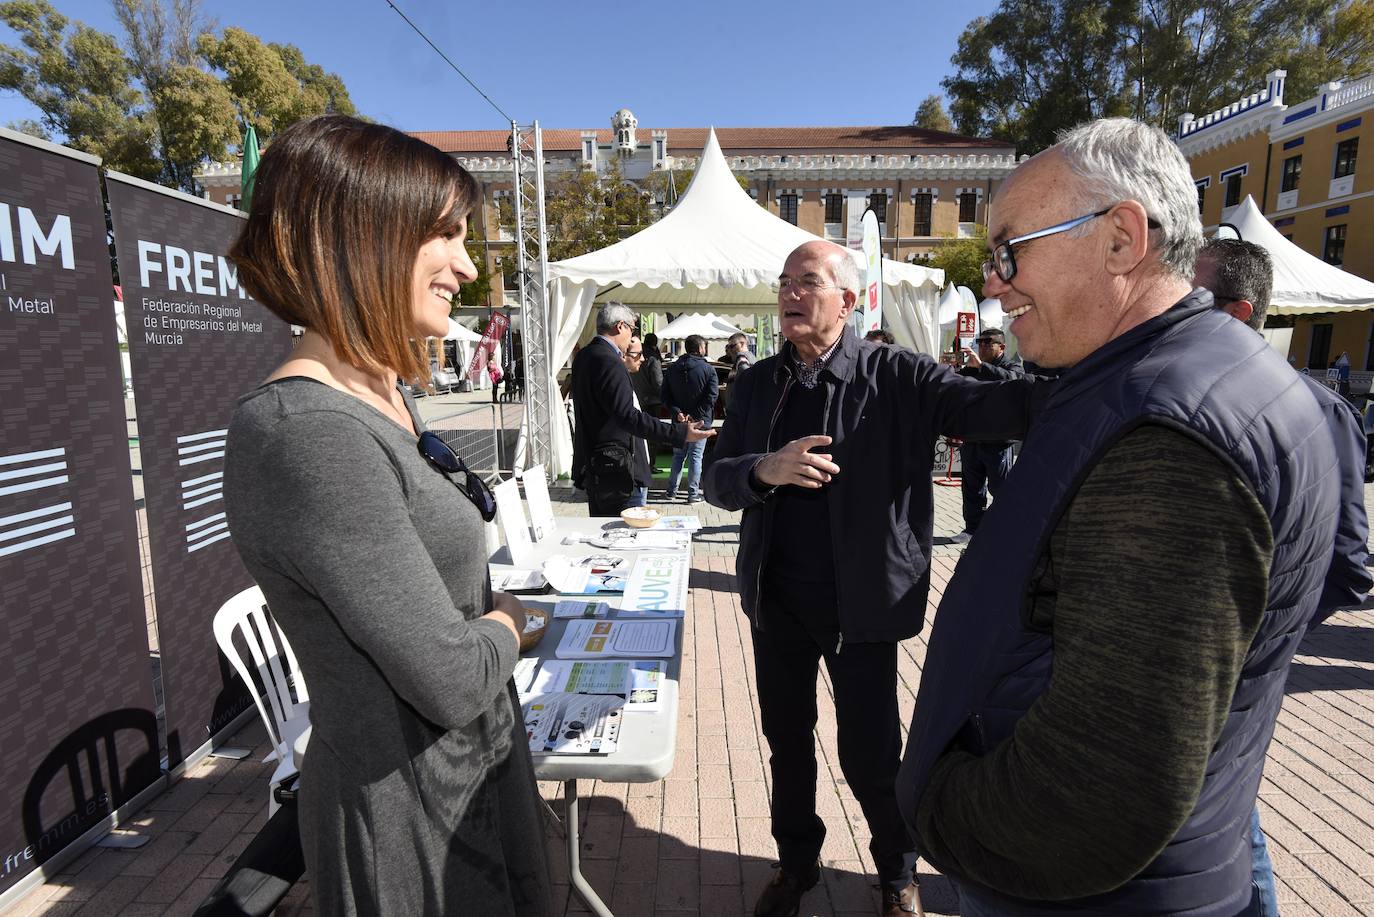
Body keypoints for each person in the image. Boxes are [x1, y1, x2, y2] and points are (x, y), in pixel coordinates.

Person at [898, 118, 1340, 917]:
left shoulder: (1168, 439)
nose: (994, 283)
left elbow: (1091, 798)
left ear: (1120, 240)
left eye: (1009, 250)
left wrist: (936, 804)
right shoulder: (1180, 380)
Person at [222, 115, 550, 915]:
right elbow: (445, 674)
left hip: (473, 775)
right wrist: (509, 619)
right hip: (414, 824)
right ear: (358, 232)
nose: (467, 266)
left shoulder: (381, 396)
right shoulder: (308, 432)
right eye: (444, 234)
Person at [703, 239, 1034, 917]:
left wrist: (1092, 369)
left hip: (862, 610)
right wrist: (765, 469)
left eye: (809, 282)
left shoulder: (897, 374)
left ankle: (897, 870)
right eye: (784, 282)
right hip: (777, 604)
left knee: (871, 755)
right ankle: (796, 864)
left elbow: (990, 410)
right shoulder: (761, 382)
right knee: (787, 744)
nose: (791, 293)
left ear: (848, 301)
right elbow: (717, 478)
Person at [1196, 236, 1372, 917]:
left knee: (1232, 815)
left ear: (1238, 313)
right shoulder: (1186, 400)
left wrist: (1259, 639)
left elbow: (1350, 567)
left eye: (1194, 298)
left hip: (1238, 667)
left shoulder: (1321, 411)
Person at [571, 303, 712, 515]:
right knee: (622, 539)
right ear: (620, 326)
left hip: (598, 466)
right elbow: (628, 416)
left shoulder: (585, 355)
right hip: (615, 470)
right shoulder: (608, 360)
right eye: (632, 328)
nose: (632, 336)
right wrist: (679, 433)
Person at [953, 328, 1024, 542]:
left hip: (998, 441)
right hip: (972, 438)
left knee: (1001, 489)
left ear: (1001, 347)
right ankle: (972, 529)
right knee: (972, 489)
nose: (982, 346)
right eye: (980, 342)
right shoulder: (972, 369)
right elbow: (954, 386)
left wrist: (982, 367)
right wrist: (949, 370)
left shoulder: (1011, 366)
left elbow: (1016, 382)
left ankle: (1004, 530)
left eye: (988, 343)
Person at [661, 333, 718, 502]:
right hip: (700, 421)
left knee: (678, 456)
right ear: (701, 348)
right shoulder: (708, 369)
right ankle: (693, 494)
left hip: (678, 421)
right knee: (695, 457)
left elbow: (665, 396)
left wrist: (677, 413)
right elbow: (711, 397)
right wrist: (695, 416)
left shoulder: (672, 368)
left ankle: (671, 491)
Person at [621, 335, 652, 508]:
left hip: (638, 468)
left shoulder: (627, 379)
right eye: (639, 354)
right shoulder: (619, 383)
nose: (643, 358)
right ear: (625, 355)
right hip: (632, 471)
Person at [721, 330, 756, 416]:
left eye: (732, 346)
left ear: (742, 344)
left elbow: (746, 376)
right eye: (728, 347)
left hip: (739, 410)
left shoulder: (742, 358)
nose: (729, 350)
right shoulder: (751, 358)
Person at [632, 331, 665, 415]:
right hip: (651, 401)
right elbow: (658, 382)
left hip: (636, 397)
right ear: (655, 344)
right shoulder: (653, 358)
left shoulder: (635, 354)